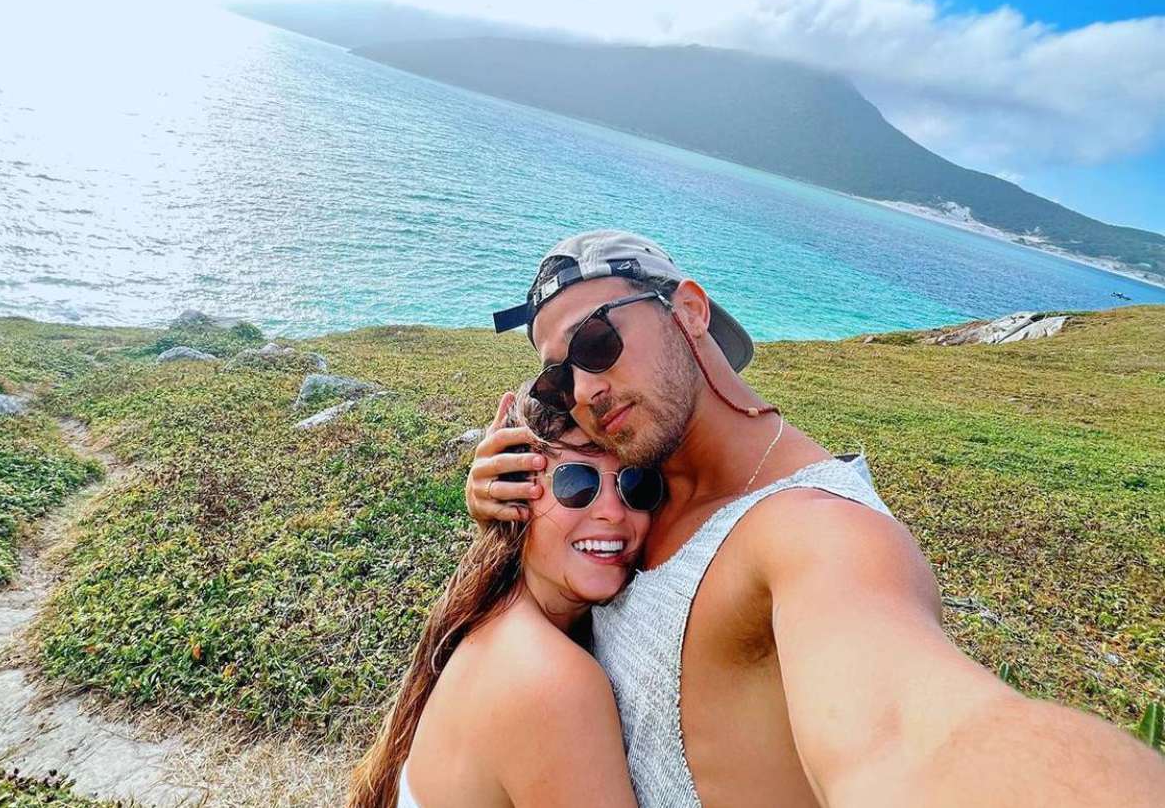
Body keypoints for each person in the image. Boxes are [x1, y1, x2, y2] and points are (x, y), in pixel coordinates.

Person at [468, 230, 1165, 807]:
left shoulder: (820, 530)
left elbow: (909, 736)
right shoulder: (637, 487)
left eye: (596, 343)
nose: (584, 390)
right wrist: (509, 520)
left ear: (690, 310)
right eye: (559, 377)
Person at [348, 382, 667, 808]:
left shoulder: (493, 614)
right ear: (513, 495)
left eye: (637, 484)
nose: (612, 511)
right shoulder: (553, 684)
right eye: (576, 482)